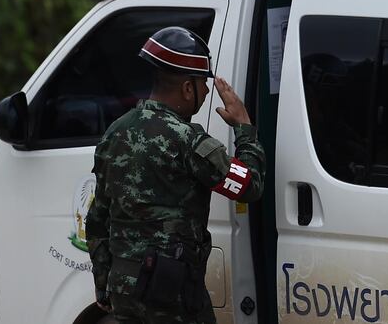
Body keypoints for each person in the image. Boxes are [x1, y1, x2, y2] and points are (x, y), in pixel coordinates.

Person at [86, 26, 266, 324]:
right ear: (186, 88)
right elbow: (249, 186)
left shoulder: (114, 132)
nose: (207, 92)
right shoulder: (188, 140)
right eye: (202, 85)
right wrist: (244, 128)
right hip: (172, 293)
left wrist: (103, 282)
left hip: (124, 290)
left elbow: (97, 219)